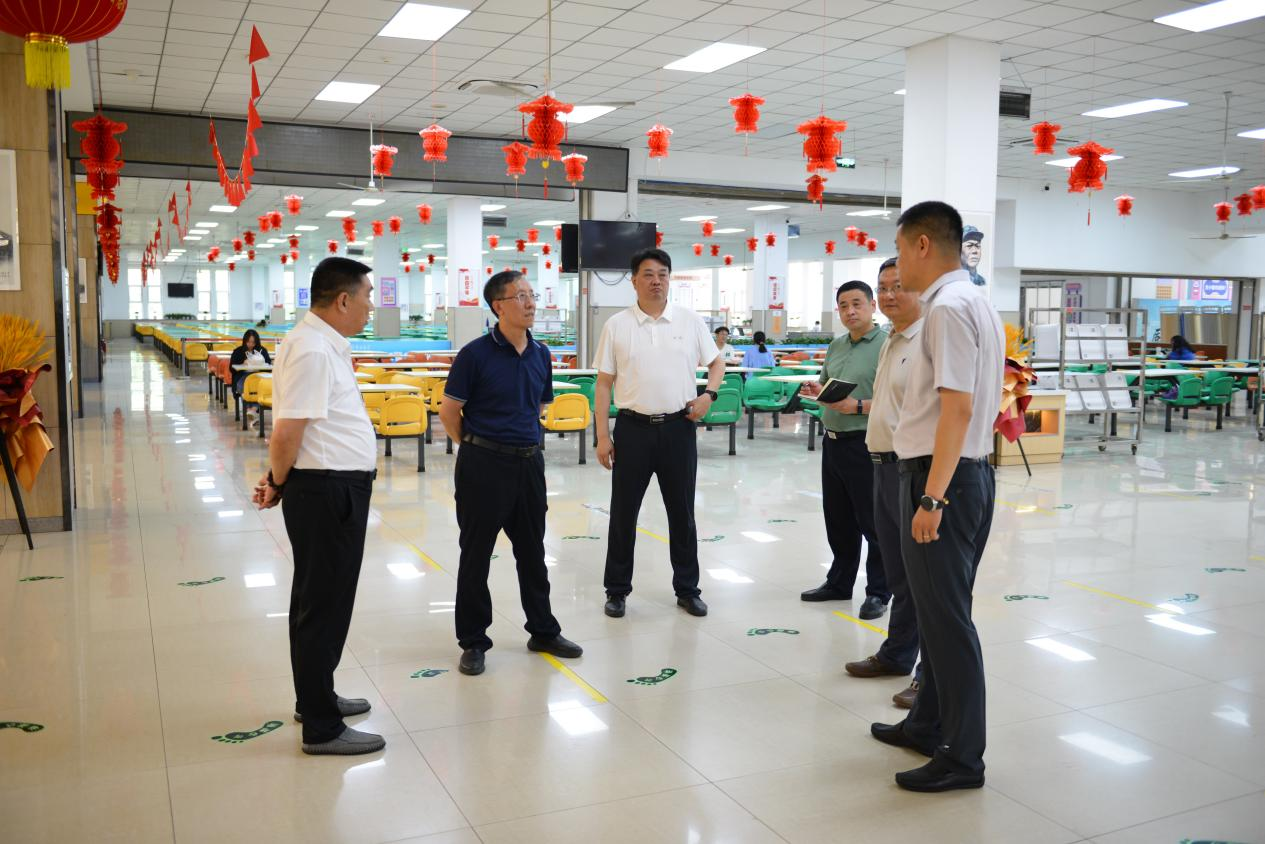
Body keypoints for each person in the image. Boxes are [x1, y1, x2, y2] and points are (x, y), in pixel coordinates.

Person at [870, 201, 1003, 794]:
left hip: (941, 477)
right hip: (961, 473)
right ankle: (927, 724)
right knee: (935, 612)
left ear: (923, 245)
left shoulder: (947, 308)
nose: (898, 265)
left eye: (901, 250)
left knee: (947, 623)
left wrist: (933, 499)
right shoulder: (974, 300)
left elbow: (958, 409)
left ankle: (962, 756)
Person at [252, 257, 383, 757]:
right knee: (323, 606)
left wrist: (279, 479)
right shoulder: (311, 349)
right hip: (328, 492)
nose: (371, 306)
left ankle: (316, 697)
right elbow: (288, 431)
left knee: (317, 600)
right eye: (367, 296)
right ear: (343, 300)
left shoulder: (320, 344)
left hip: (329, 487)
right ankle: (322, 727)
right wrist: (278, 481)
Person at [438, 271, 583, 677]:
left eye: (532, 295)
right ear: (498, 306)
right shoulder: (474, 355)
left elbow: (539, 407)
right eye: (521, 296)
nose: (531, 303)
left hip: (529, 463)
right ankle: (473, 641)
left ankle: (543, 630)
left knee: (533, 552)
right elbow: (449, 413)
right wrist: (476, 446)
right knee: (476, 554)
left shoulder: (541, 354)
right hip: (483, 465)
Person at [594, 248, 725, 619]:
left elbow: (717, 363)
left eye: (663, 274)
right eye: (648, 274)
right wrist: (602, 435)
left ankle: (688, 589)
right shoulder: (617, 325)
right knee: (623, 514)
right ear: (634, 280)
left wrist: (709, 395)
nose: (656, 281)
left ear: (670, 279)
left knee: (682, 513)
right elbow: (603, 384)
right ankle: (617, 590)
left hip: (678, 429)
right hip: (632, 430)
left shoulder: (689, 321)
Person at [844, 258, 924, 708]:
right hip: (882, 465)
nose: (891, 294)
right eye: (885, 287)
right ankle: (897, 653)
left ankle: (929, 676)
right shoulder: (893, 340)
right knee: (899, 574)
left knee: (927, 581)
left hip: (914, 470)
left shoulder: (929, 339)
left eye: (899, 285)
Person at [798, 281, 890, 620]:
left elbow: (898, 399)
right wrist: (817, 389)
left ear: (872, 306)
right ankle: (839, 582)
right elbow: (827, 385)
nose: (850, 311)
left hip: (867, 444)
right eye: (843, 306)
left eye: (857, 304)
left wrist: (858, 406)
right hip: (833, 441)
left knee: (874, 522)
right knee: (838, 519)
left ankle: (879, 591)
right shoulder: (836, 345)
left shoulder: (887, 345)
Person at [230, 329, 271, 398]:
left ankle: (254, 404)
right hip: (242, 376)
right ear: (245, 341)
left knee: (264, 387)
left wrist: (261, 364)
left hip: (259, 376)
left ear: (257, 342)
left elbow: (268, 366)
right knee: (246, 388)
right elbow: (231, 369)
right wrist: (242, 364)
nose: (251, 345)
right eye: (248, 342)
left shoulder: (262, 351)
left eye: (253, 342)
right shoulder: (238, 352)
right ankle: (248, 403)